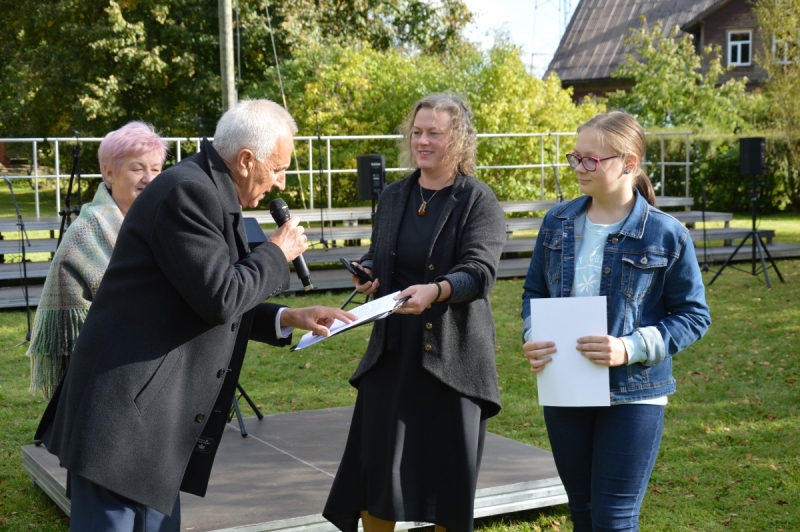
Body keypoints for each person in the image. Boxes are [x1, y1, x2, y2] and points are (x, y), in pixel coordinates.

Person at [34, 99, 355, 532]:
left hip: (150, 424)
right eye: (278, 168)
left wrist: (288, 317)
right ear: (245, 160)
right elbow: (220, 297)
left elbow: (208, 294)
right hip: (122, 423)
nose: (280, 183)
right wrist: (277, 253)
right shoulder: (188, 192)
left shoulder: (206, 189)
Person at [323, 93, 507, 532]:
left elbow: (479, 273)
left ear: (458, 140)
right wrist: (369, 273)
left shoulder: (479, 201)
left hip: (454, 360)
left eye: (434, 133)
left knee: (448, 482)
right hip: (392, 355)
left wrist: (438, 290)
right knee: (377, 474)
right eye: (417, 132)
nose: (422, 141)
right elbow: (383, 254)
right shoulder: (393, 196)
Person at [521, 111, 711, 532]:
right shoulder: (557, 223)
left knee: (614, 519)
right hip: (565, 384)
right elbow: (534, 293)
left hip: (635, 394)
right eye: (575, 157)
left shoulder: (666, 234)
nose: (579, 168)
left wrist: (630, 347)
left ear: (628, 163)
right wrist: (534, 334)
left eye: (592, 160)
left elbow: (695, 315)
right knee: (583, 514)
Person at [27, 121, 168, 399]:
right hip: (103, 372)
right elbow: (81, 325)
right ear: (109, 173)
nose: (149, 178)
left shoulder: (164, 222)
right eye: (137, 168)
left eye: (156, 169)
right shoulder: (85, 234)